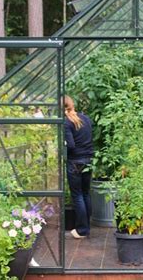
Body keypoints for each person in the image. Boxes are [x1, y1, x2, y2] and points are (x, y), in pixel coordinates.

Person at [64, 95, 94, 239]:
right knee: (86, 193)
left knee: (77, 196)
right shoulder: (85, 118)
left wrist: (62, 148)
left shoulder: (66, 122)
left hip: (75, 162)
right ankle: (86, 227)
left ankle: (82, 230)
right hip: (88, 161)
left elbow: (70, 145)